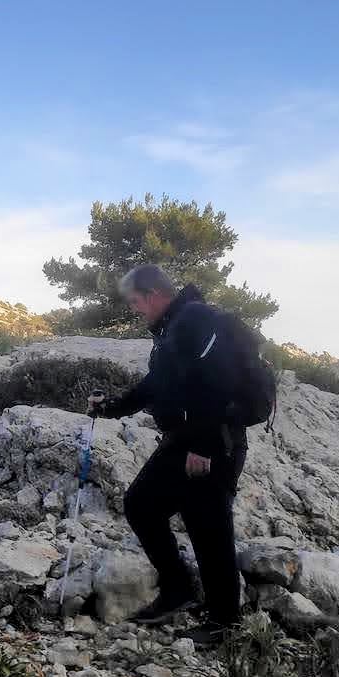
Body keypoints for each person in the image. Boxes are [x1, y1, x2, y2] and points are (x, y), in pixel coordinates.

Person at [90, 263, 248, 641]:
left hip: (213, 441)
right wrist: (110, 407)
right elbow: (154, 385)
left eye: (135, 302)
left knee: (209, 527)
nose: (134, 310)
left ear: (154, 295)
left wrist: (203, 446)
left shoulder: (195, 319)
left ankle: (225, 623)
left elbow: (221, 382)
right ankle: (179, 590)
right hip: (184, 439)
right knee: (142, 505)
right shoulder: (172, 328)